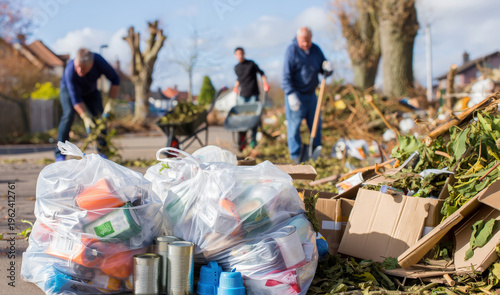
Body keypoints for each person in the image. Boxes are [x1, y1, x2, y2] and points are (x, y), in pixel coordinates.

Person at [54, 48, 120, 161]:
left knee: (100, 117)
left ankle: (102, 152)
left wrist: (110, 102)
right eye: (78, 67)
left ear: (92, 65)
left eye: (84, 68)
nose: (79, 71)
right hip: (69, 91)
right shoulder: (70, 70)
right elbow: (75, 99)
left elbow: (115, 80)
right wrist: (85, 117)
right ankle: (60, 154)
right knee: (68, 114)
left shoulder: (99, 61)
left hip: (90, 90)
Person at [282, 27, 332, 163]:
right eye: (303, 41)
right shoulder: (291, 51)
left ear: (311, 38)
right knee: (294, 126)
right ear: (297, 38)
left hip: (311, 95)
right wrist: (290, 94)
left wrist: (327, 68)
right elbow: (285, 76)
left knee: (316, 124)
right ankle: (296, 156)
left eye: (308, 41)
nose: (305, 44)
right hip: (296, 94)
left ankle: (315, 152)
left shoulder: (316, 49)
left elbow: (323, 66)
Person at [233, 47, 269, 150]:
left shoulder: (251, 64)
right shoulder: (236, 68)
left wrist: (265, 83)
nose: (240, 55)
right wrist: (235, 87)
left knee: (253, 118)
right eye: (238, 54)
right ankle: (242, 141)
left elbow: (261, 73)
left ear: (244, 54)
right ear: (235, 56)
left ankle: (253, 140)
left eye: (241, 53)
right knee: (242, 118)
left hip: (253, 95)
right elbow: (239, 79)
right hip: (242, 96)